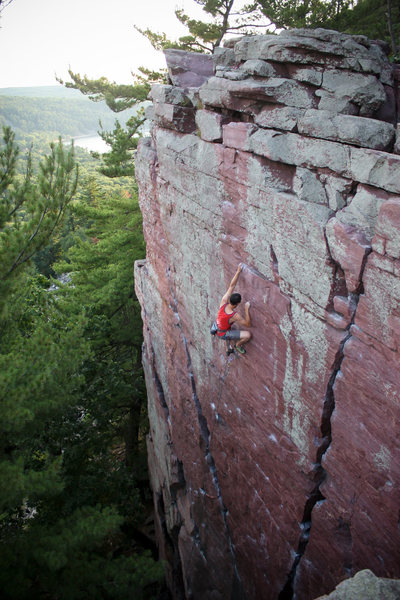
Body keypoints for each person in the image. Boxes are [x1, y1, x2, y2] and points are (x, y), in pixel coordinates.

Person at [216, 263, 252, 354]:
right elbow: (248, 324)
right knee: (247, 335)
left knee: (226, 324)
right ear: (237, 304)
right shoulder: (234, 315)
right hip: (223, 333)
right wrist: (246, 309)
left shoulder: (224, 301)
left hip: (219, 327)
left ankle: (228, 343)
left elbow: (232, 286)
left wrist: (238, 271)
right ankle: (237, 345)